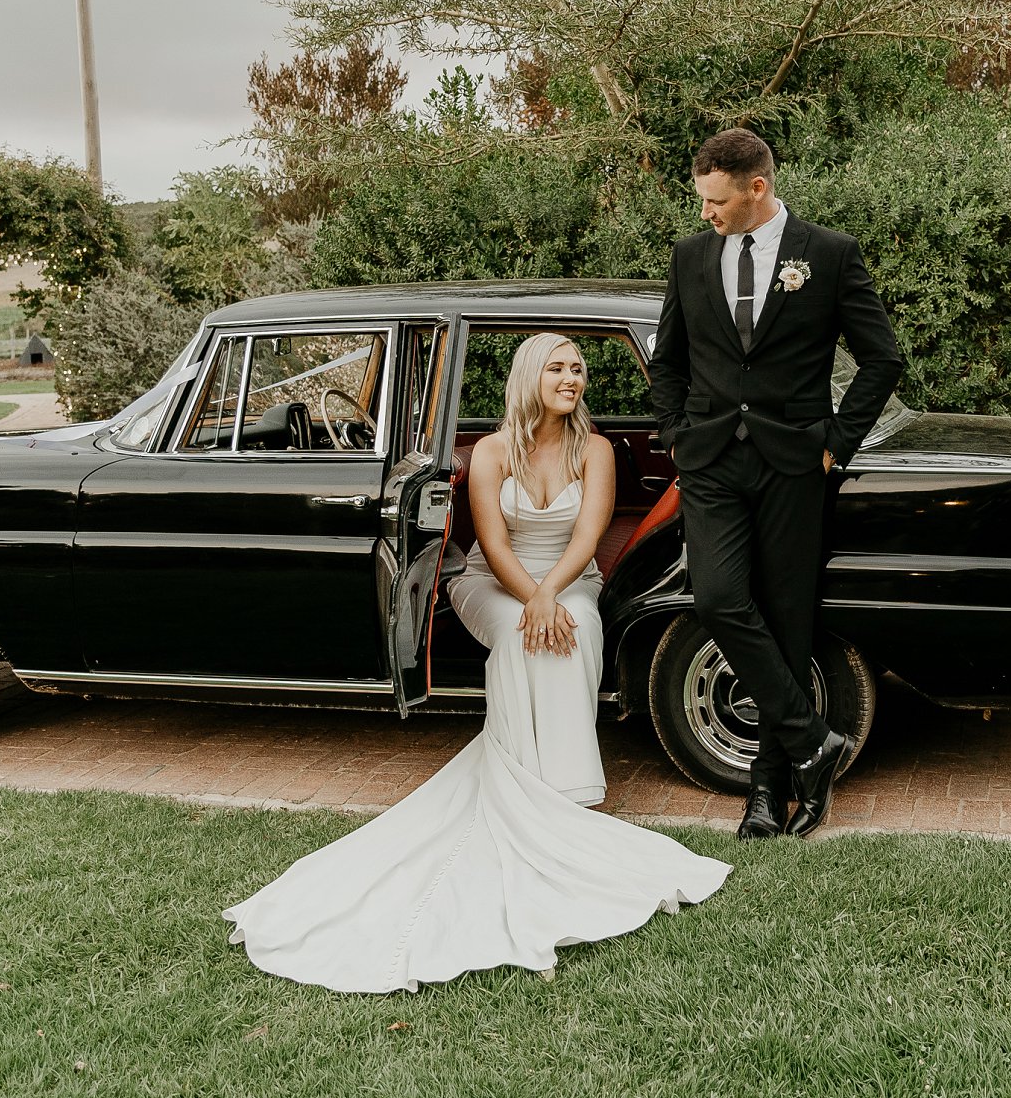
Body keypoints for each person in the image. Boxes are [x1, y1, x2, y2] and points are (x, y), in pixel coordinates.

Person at [224, 332, 729, 993]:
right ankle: (533, 792)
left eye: (578, 369)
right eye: (557, 368)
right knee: (523, 636)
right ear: (529, 377)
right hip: (492, 580)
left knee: (575, 625)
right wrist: (531, 599)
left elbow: (588, 536)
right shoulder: (491, 451)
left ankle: (565, 797)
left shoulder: (596, 449)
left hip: (570, 577)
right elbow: (490, 542)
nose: (572, 379)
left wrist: (550, 595)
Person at [649, 128, 903, 840]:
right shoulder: (690, 256)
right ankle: (813, 740)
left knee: (787, 620)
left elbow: (882, 359)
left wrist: (836, 444)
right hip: (710, 461)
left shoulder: (829, 254)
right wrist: (676, 434)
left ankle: (768, 793)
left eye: (716, 201)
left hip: (794, 464)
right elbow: (668, 360)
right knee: (718, 598)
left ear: (756, 188)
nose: (706, 213)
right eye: (703, 200)